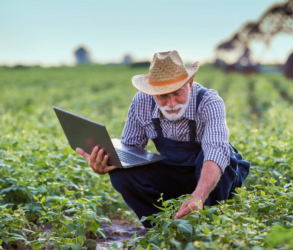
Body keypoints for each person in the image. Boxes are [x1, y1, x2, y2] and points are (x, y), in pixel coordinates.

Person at [76, 50, 250, 228]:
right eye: (163, 96)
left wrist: (198, 195)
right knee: (122, 173)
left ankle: (206, 226)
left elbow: (216, 151)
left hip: (214, 181)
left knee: (223, 154)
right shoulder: (141, 102)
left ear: (189, 84)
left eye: (177, 93)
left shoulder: (208, 101)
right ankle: (164, 229)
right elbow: (131, 151)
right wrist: (105, 163)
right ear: (152, 93)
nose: (172, 103)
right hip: (174, 174)